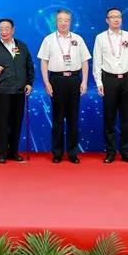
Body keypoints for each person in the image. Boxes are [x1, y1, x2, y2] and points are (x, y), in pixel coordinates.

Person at [37, 9, 90, 164]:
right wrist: (46, 82)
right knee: (58, 118)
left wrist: (84, 81)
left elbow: (85, 61)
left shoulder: (78, 39)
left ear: (70, 22)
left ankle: (73, 153)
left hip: (74, 79)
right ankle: (57, 153)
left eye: (66, 20)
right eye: (60, 20)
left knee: (73, 118)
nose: (63, 23)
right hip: (57, 80)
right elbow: (44, 62)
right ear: (56, 22)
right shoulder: (49, 39)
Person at [0, 19, 34, 164]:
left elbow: (29, 66)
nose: (3, 32)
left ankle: (13, 152)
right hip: (2, 91)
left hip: (19, 91)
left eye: (6, 28)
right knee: (2, 123)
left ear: (13, 30)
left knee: (16, 122)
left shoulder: (21, 46)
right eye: (1, 29)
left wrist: (29, 83)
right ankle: (1, 153)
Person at [92, 8, 128, 164]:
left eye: (118, 16)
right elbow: (97, 61)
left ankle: (126, 152)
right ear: (107, 20)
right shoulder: (100, 38)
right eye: (112, 17)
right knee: (110, 117)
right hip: (109, 80)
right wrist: (99, 82)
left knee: (127, 118)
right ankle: (110, 152)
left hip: (126, 79)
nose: (116, 19)